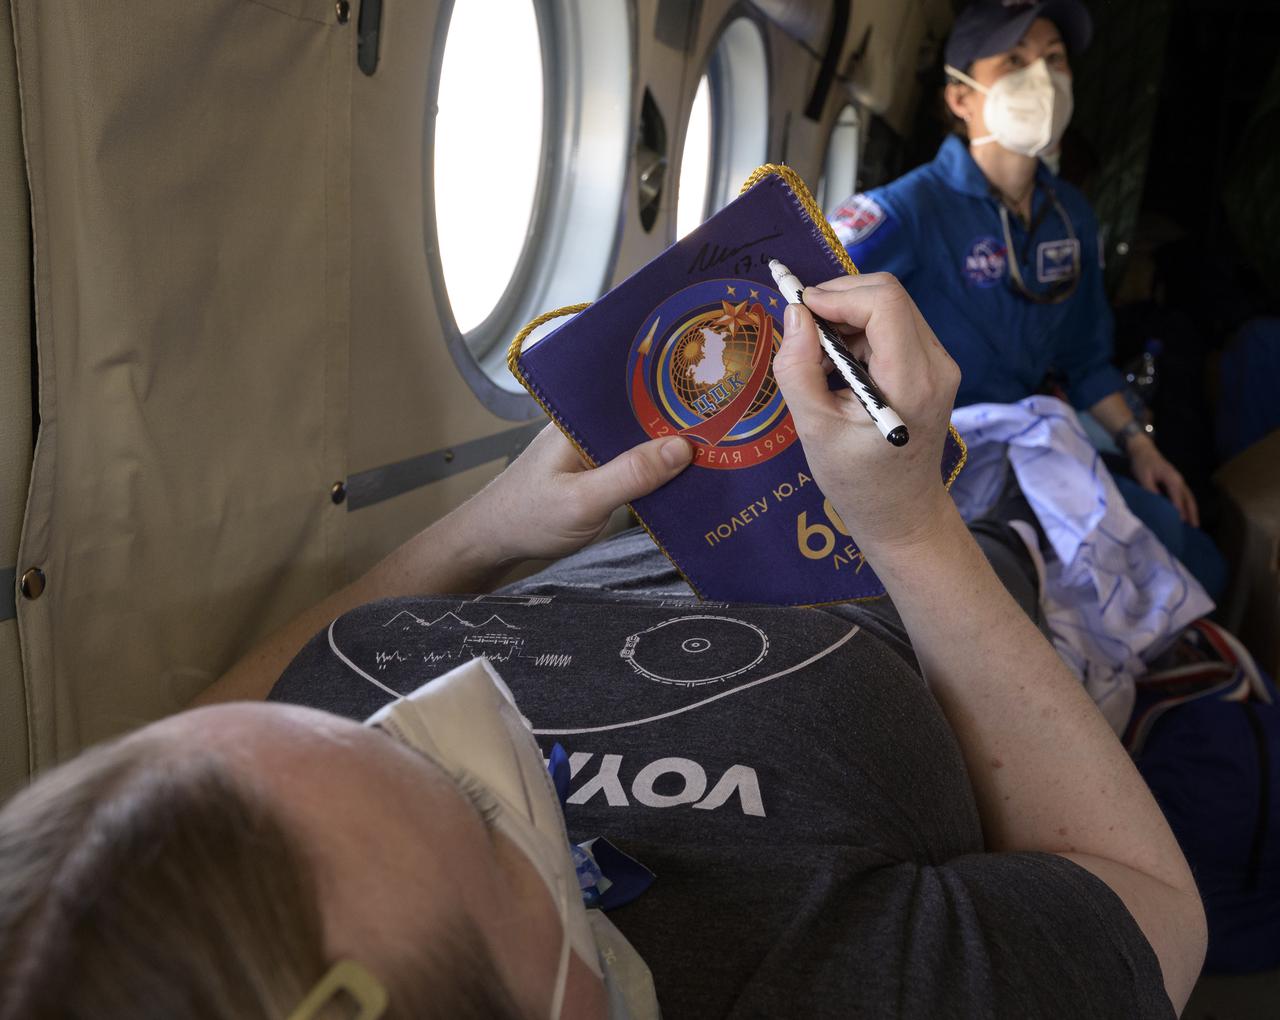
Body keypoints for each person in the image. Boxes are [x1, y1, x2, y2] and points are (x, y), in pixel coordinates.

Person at [0, 276, 1206, 1019]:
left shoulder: (109, 932)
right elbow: (1153, 914)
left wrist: (487, 532)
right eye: (482, 809)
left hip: (596, 534)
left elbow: (177, 746)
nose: (470, 703)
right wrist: (913, 529)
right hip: (883, 569)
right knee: (1026, 451)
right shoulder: (832, 987)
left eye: (337, 723)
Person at [829, 0, 1226, 597]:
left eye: (1054, 59)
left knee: (1197, 558)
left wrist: (1140, 446)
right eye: (1014, 60)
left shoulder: (1071, 214)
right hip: (936, 459)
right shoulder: (905, 210)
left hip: (1031, 440)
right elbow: (801, 310)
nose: (1041, 78)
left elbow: (1086, 360)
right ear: (961, 98)